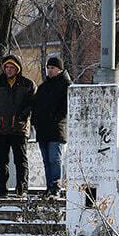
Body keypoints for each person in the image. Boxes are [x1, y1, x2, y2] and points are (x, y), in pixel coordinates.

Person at [0, 54, 35, 197]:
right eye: (7, 67)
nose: (9, 70)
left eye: (12, 67)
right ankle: (2, 191)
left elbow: (31, 104)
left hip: (19, 129)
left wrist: (22, 118)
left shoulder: (27, 84)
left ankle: (22, 189)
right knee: (1, 162)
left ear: (18, 68)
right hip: (0, 129)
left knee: (20, 161)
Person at [32, 56, 71, 196]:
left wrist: (54, 118)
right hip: (43, 129)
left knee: (55, 159)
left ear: (60, 69)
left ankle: (56, 187)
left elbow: (65, 108)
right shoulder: (43, 87)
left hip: (57, 129)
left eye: (52, 68)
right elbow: (35, 107)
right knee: (47, 161)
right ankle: (50, 187)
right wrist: (35, 122)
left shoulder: (66, 85)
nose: (49, 71)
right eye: (48, 68)